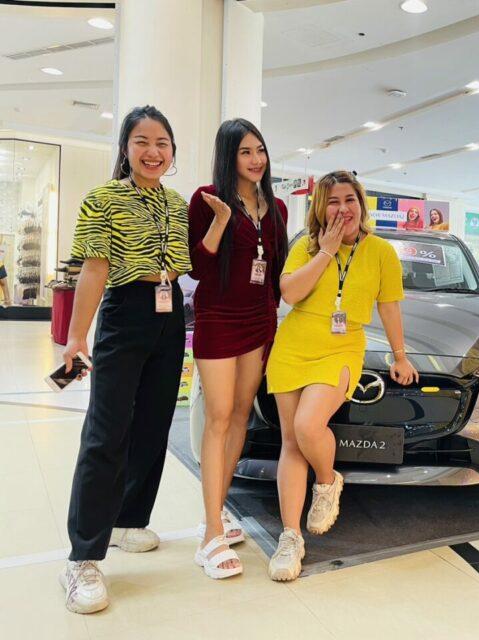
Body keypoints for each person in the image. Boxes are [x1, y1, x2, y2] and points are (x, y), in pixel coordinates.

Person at [60, 106, 191, 613]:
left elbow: (185, 265)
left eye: (162, 143)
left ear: (172, 151)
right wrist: (77, 336)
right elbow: (94, 270)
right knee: (106, 432)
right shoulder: (103, 198)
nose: (153, 152)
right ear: (126, 147)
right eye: (142, 141)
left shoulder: (175, 204)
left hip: (169, 314)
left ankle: (128, 519)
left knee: (154, 426)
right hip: (124, 311)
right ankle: (82, 558)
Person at [265, 170, 419, 581]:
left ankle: (327, 481)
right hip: (293, 346)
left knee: (308, 425)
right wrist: (326, 252)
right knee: (291, 441)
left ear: (361, 204)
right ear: (320, 207)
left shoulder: (381, 251)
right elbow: (290, 293)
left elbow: (389, 305)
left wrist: (400, 356)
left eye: (350, 199)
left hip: (341, 346)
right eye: (333, 201)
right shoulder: (307, 244)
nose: (342, 208)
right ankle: (290, 537)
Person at [187, 118, 288, 579]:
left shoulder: (277, 207)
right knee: (219, 415)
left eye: (260, 150)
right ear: (229, 156)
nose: (255, 159)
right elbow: (197, 268)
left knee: (241, 414)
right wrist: (222, 221)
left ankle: (218, 510)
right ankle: (210, 532)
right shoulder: (207, 198)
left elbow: (278, 272)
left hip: (259, 321)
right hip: (217, 318)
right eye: (245, 151)